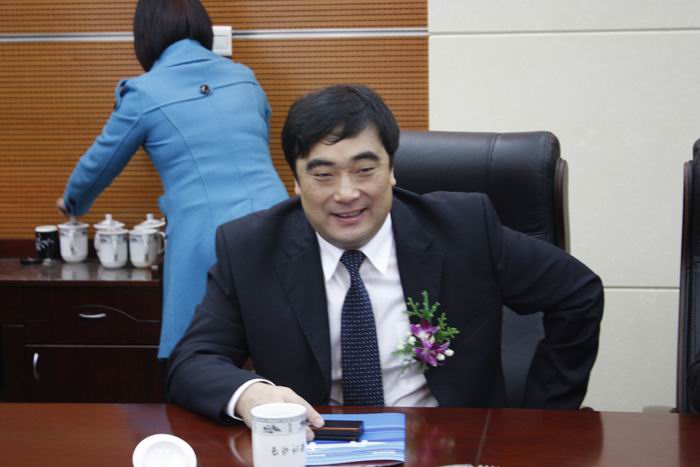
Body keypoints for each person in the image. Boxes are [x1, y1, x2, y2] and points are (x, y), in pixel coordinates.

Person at [167, 84, 604, 431]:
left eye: (364, 170)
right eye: (323, 175)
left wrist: (541, 419)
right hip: (320, 444)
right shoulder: (250, 248)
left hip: (449, 445)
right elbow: (192, 361)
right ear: (296, 182)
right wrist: (250, 395)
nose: (346, 193)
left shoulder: (465, 229)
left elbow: (577, 292)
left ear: (392, 169)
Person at [55, 0, 288, 358]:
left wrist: (72, 202)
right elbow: (260, 139)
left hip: (207, 236)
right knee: (282, 347)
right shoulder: (245, 77)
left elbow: (100, 163)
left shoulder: (144, 93)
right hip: (279, 222)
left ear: (144, 36)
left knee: (198, 356)